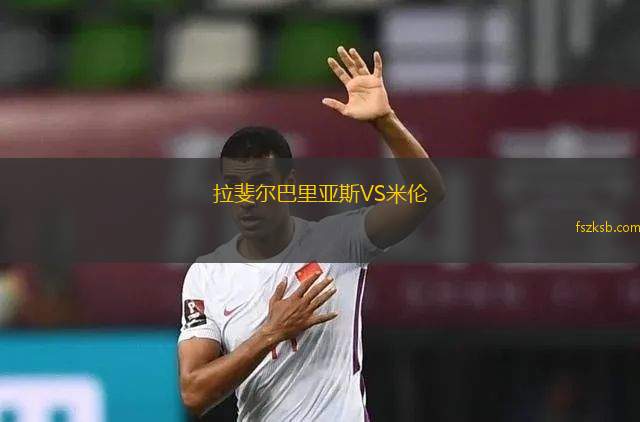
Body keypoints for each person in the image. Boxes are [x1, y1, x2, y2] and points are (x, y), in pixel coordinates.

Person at [177, 46, 446, 421]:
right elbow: (194, 393)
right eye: (235, 186)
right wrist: (271, 332)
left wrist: (386, 121)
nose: (247, 199)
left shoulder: (339, 241)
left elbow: (427, 194)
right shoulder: (208, 274)